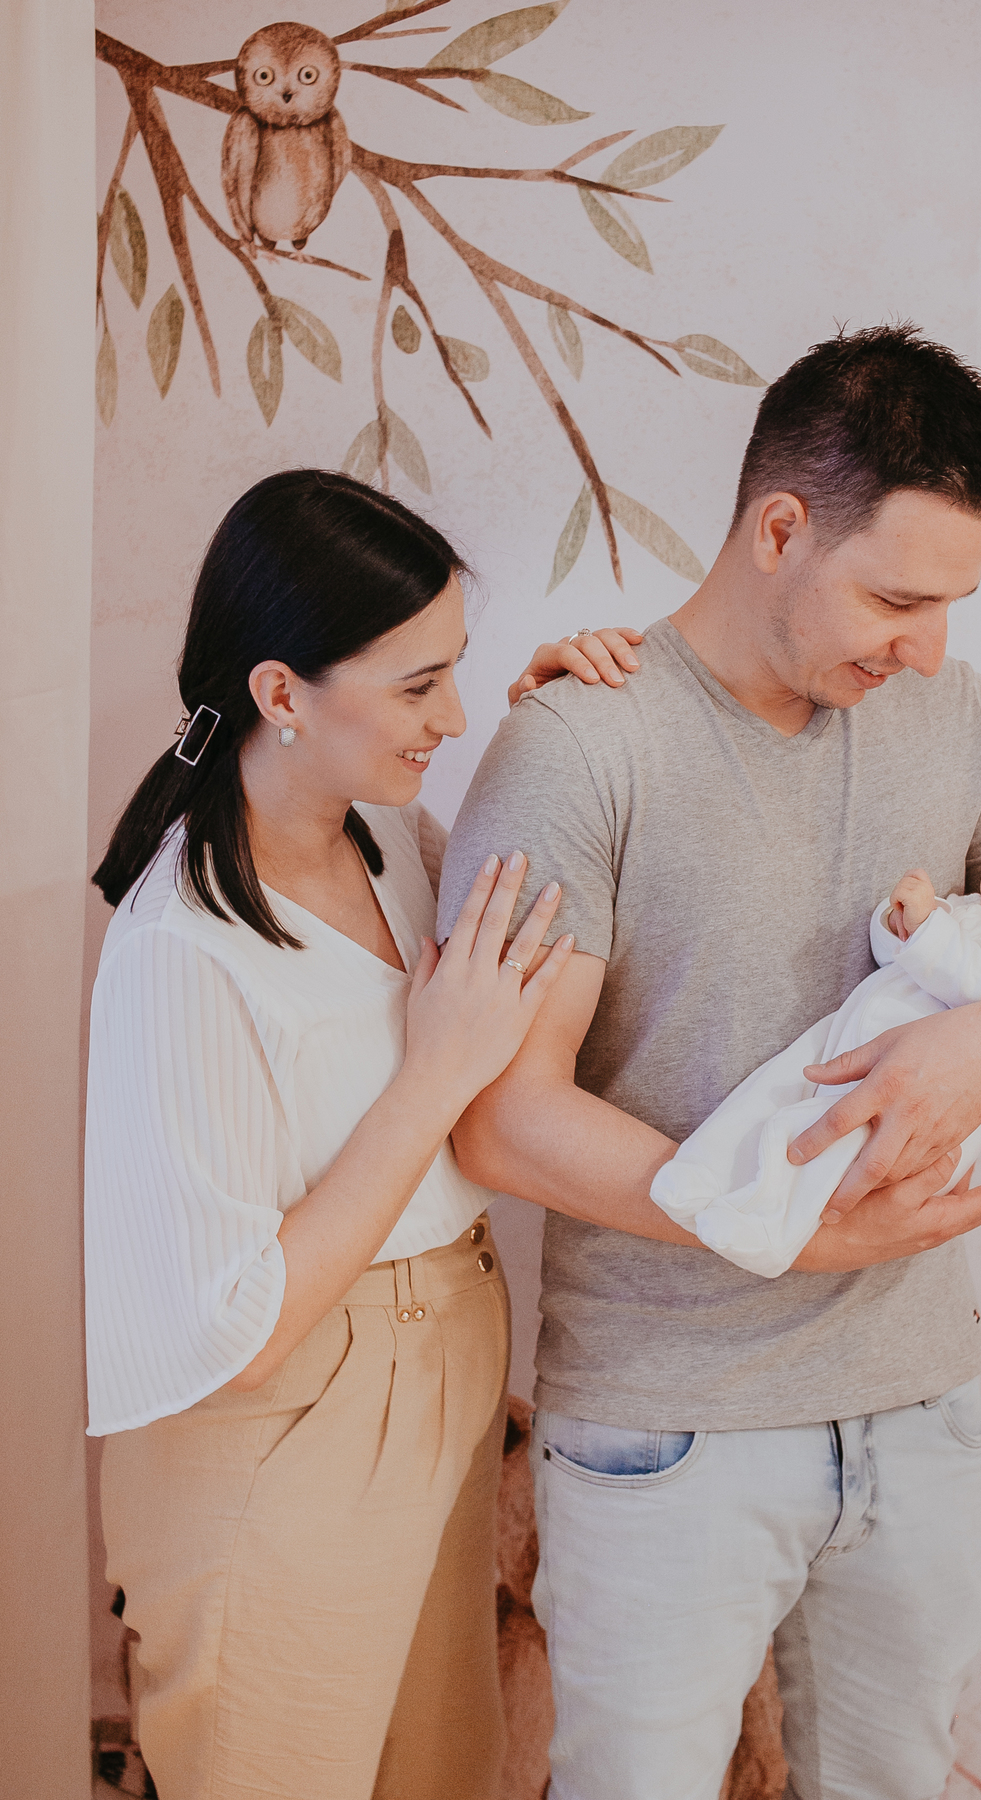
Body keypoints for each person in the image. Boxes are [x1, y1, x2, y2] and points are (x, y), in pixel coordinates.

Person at [436, 325, 981, 1800]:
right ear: (777, 529)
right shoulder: (580, 747)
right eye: (896, 596)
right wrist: (799, 1228)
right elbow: (505, 1121)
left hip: (918, 1409)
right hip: (664, 1430)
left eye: (954, 603)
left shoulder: (958, 723)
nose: (929, 647)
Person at [84, 467, 642, 1800]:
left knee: (439, 1768)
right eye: (414, 687)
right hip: (290, 1410)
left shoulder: (388, 833)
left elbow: (516, 932)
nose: (447, 714)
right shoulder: (184, 948)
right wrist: (431, 1080)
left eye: (454, 674)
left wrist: (542, 732)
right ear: (281, 693)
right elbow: (237, 1327)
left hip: (443, 1353)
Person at [652, 816, 981, 1277]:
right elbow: (898, 955)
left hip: (909, 1098)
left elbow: (974, 980)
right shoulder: (974, 913)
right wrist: (896, 920)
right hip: (848, 1039)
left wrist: (929, 927)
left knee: (819, 1146)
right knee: (769, 1089)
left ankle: (767, 1229)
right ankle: (700, 1172)